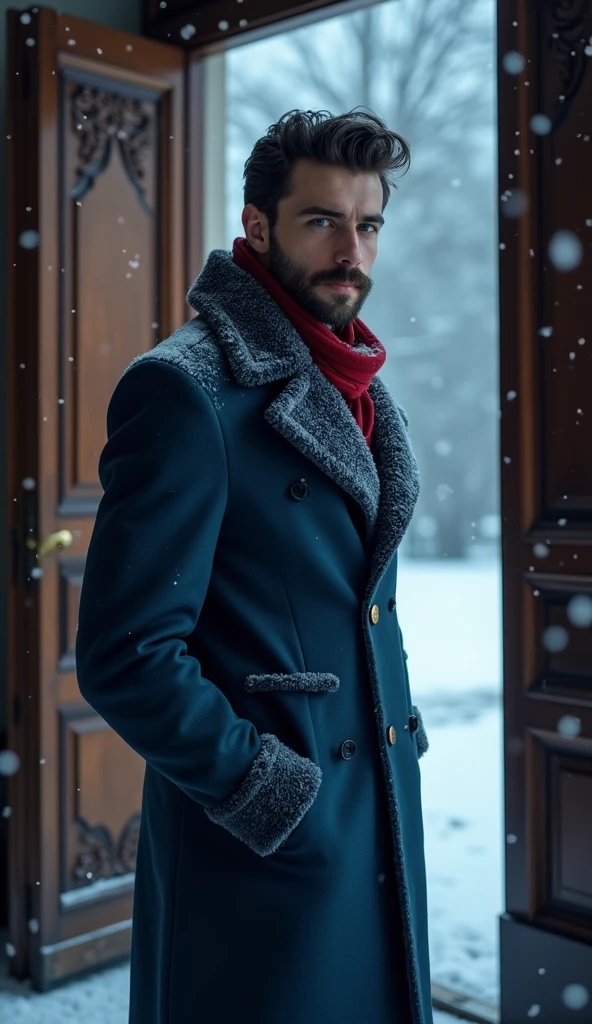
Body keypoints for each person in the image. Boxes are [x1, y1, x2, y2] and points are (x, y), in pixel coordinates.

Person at [76, 107, 433, 1024]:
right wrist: (269, 792)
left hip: (374, 812)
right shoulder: (185, 391)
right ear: (259, 226)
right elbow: (126, 654)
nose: (351, 250)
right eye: (322, 221)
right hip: (266, 844)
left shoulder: (357, 386)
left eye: (369, 224)